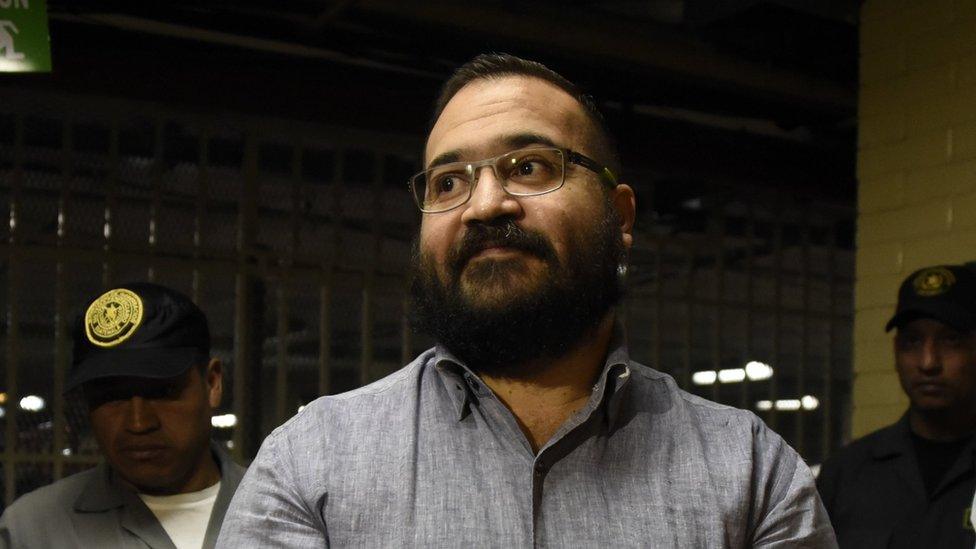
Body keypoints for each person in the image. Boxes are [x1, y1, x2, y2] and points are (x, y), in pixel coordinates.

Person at [218, 53, 835, 547]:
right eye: (449, 181)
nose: (485, 205)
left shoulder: (751, 474)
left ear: (619, 216)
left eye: (530, 167)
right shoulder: (311, 462)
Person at [0, 282, 245, 549]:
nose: (138, 423)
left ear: (212, 383)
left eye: (161, 392)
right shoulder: (33, 530)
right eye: (111, 396)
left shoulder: (285, 507)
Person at [817, 264, 976, 548]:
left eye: (951, 340)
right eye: (912, 341)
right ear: (895, 351)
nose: (928, 362)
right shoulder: (845, 475)